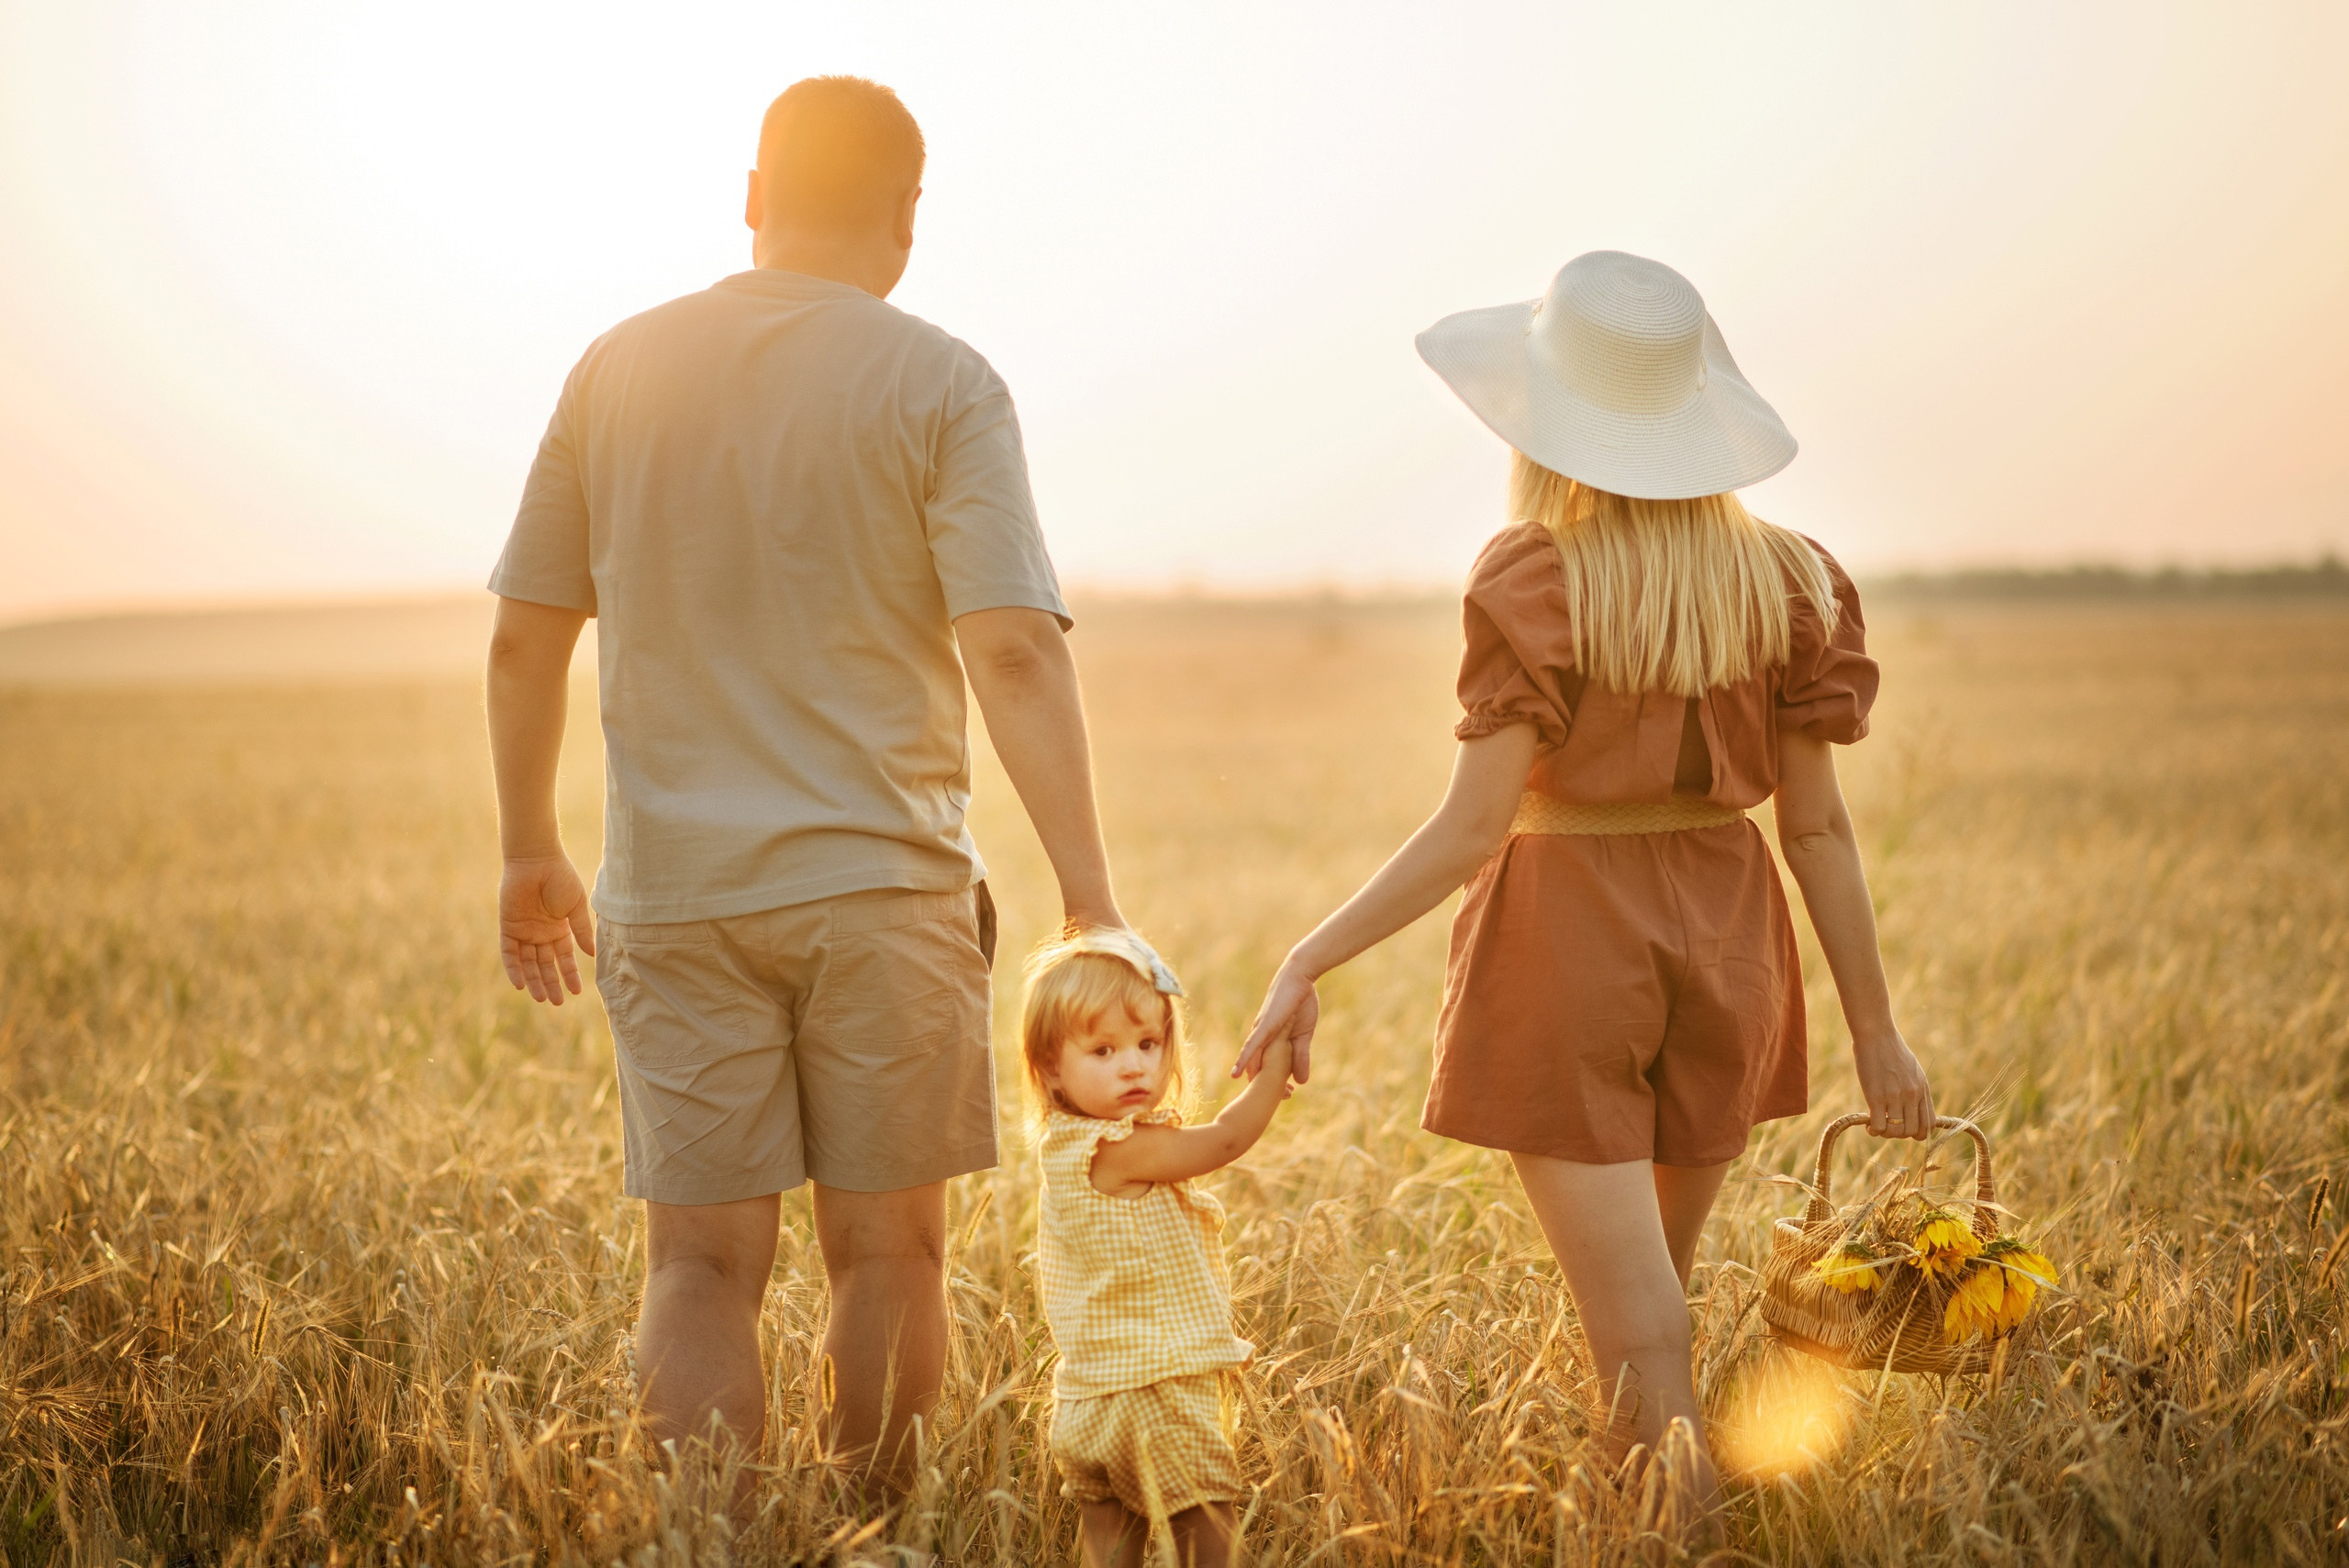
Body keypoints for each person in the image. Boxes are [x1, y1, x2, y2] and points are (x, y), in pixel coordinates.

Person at [483, 76, 1142, 1494]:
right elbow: (1016, 649)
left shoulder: (616, 367)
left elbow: (525, 631)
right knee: (890, 1251)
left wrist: (528, 845)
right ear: (909, 221)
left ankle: (706, 1540)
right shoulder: (943, 380)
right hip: (884, 887)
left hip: (670, 895)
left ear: (752, 193)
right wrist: (1090, 902)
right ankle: (877, 1533)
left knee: (701, 1262)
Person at [1234, 250, 1935, 1506]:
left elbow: (1468, 831)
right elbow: (1817, 833)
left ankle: (1674, 1529)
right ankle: (1640, 1511)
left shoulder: (1538, 574)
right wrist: (1876, 1034)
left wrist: (1307, 954)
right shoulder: (1793, 580)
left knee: (1640, 1343)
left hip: (1565, 947)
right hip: (1732, 946)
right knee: (1653, 1311)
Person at [1023, 930, 1297, 1568]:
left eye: (1149, 1043)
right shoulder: (1119, 1150)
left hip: (1088, 1401)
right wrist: (1273, 1071)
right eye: (1104, 1048)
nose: (1134, 1065)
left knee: (1107, 1549)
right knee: (1208, 1545)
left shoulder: (1065, 1148)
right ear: (1049, 1069)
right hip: (1161, 1391)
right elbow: (1225, 1140)